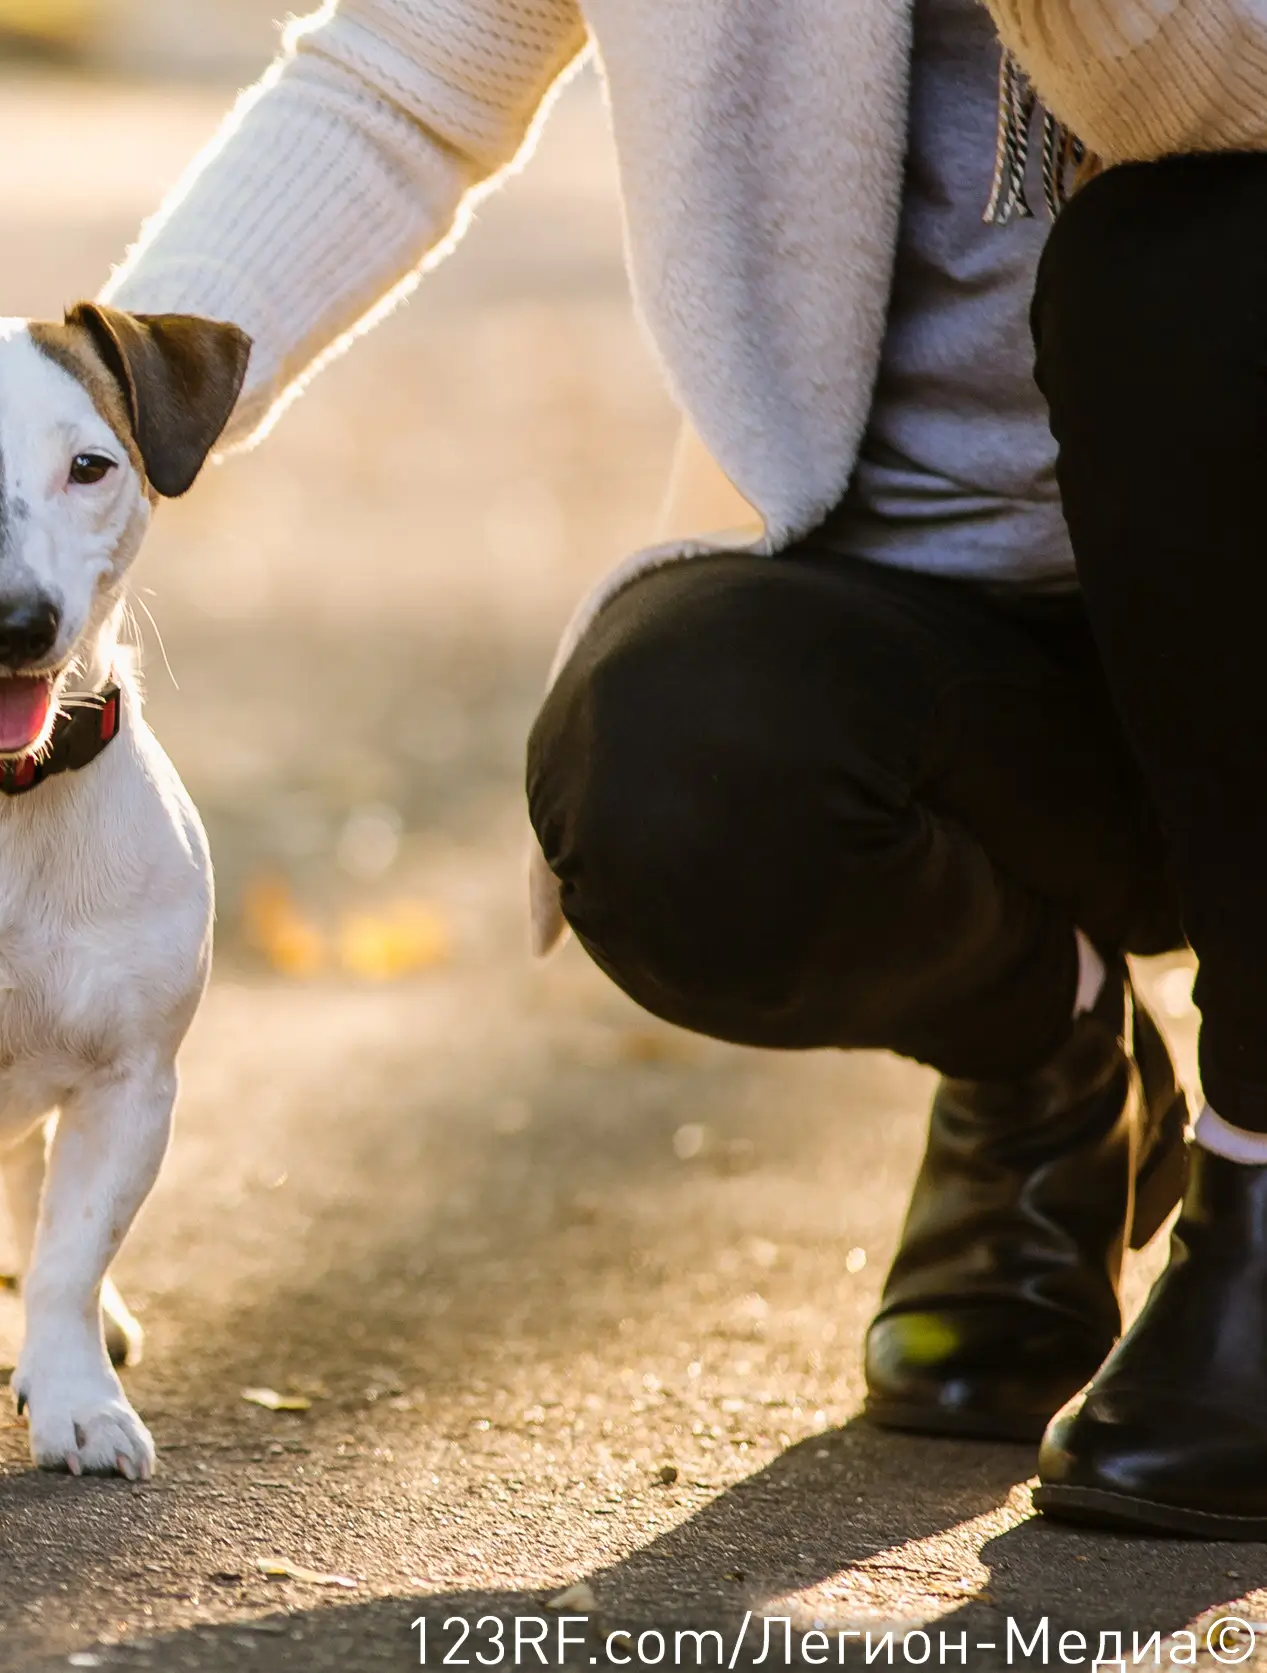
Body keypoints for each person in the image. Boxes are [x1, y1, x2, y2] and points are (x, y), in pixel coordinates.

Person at [100, 0, 1267, 1534]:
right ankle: (1047, 1066)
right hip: (945, 637)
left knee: (1182, 276)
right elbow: (395, 86)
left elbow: (1211, 92)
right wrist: (65, 432)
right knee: (674, 775)